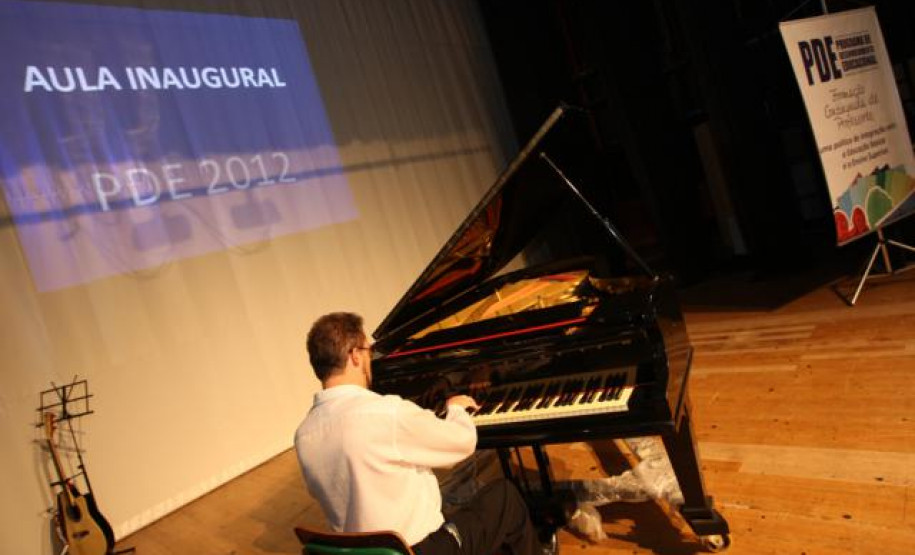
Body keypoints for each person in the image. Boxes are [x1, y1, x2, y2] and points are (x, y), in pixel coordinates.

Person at [294, 312, 548, 555]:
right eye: (368, 349)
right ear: (354, 356)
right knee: (505, 498)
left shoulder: (304, 435)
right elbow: (461, 442)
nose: (371, 359)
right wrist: (456, 409)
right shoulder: (386, 412)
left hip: (362, 552)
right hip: (419, 550)